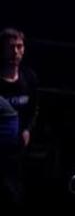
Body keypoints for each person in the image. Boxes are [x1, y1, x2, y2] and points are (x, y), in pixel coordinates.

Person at [0, 28, 37, 211]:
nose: (16, 52)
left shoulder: (29, 78)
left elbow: (34, 109)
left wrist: (27, 130)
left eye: (19, 46)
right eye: (11, 47)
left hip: (17, 154)